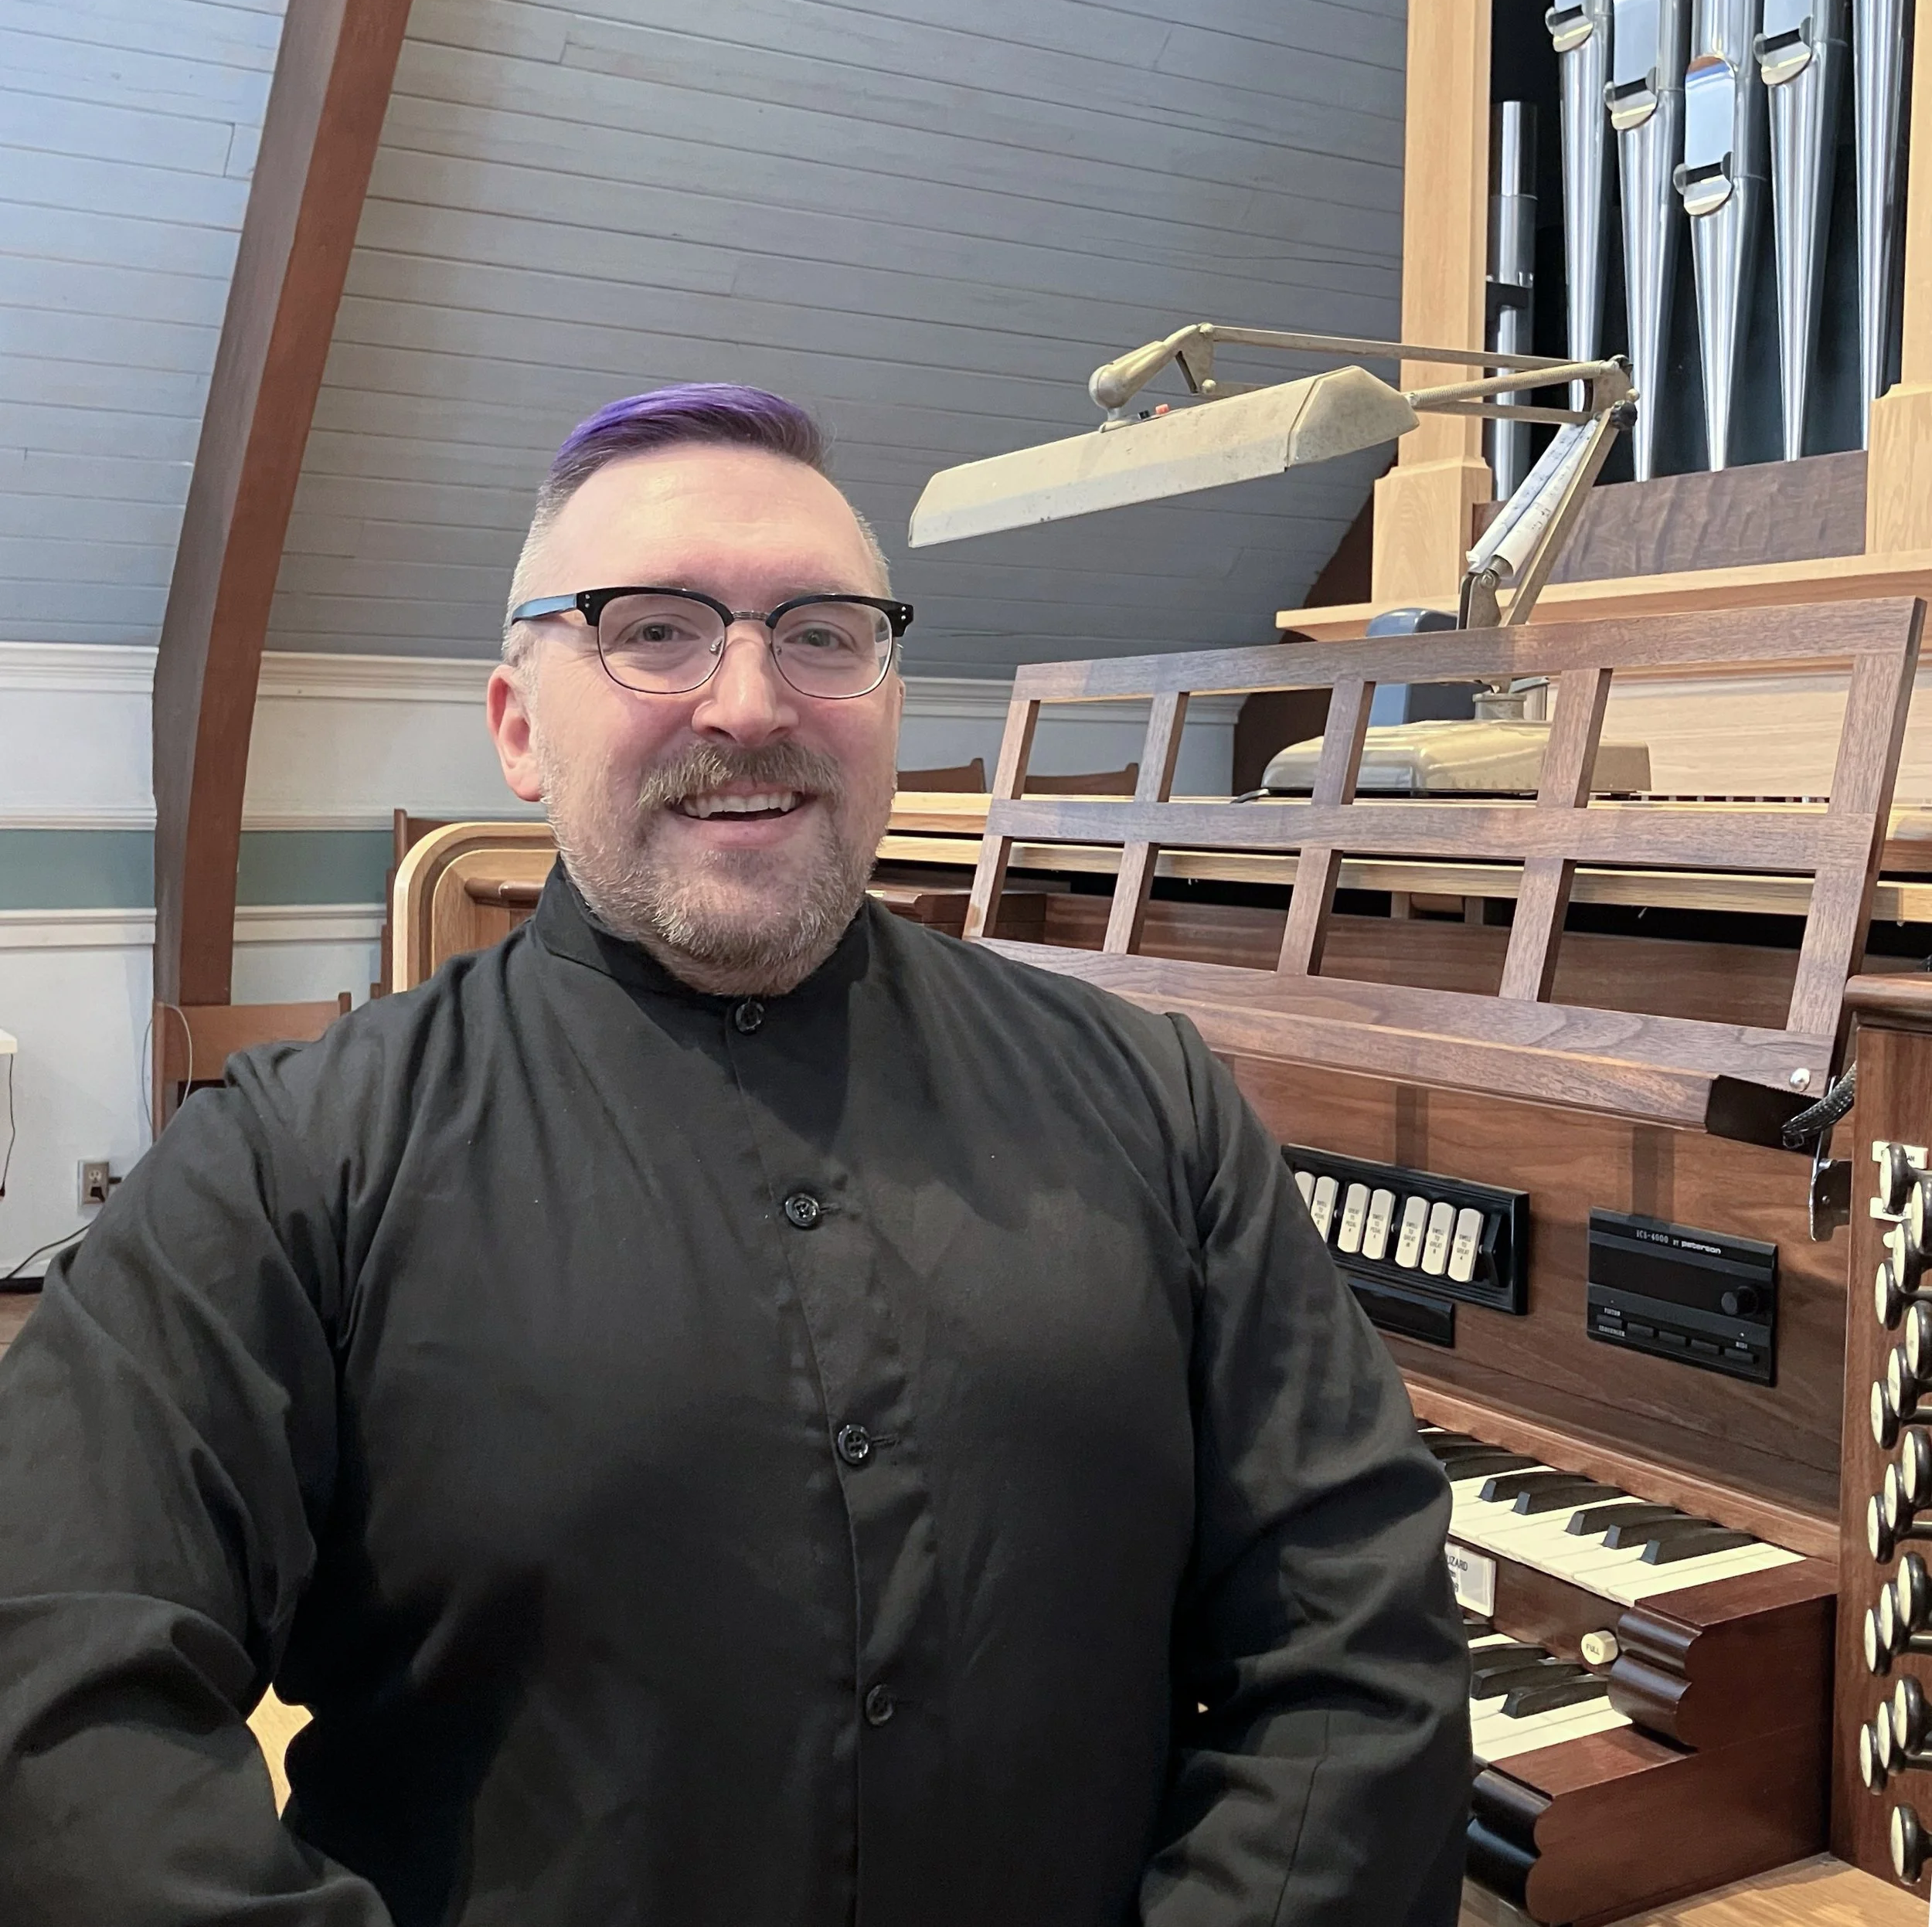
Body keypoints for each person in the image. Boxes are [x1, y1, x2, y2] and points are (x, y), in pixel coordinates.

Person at [0, 383, 1470, 1925]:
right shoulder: (291, 1163)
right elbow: (53, 1691)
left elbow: (1353, 1633)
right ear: (516, 727)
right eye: (654, 629)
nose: (751, 702)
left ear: (890, 700)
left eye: (822, 632)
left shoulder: (1154, 1101)